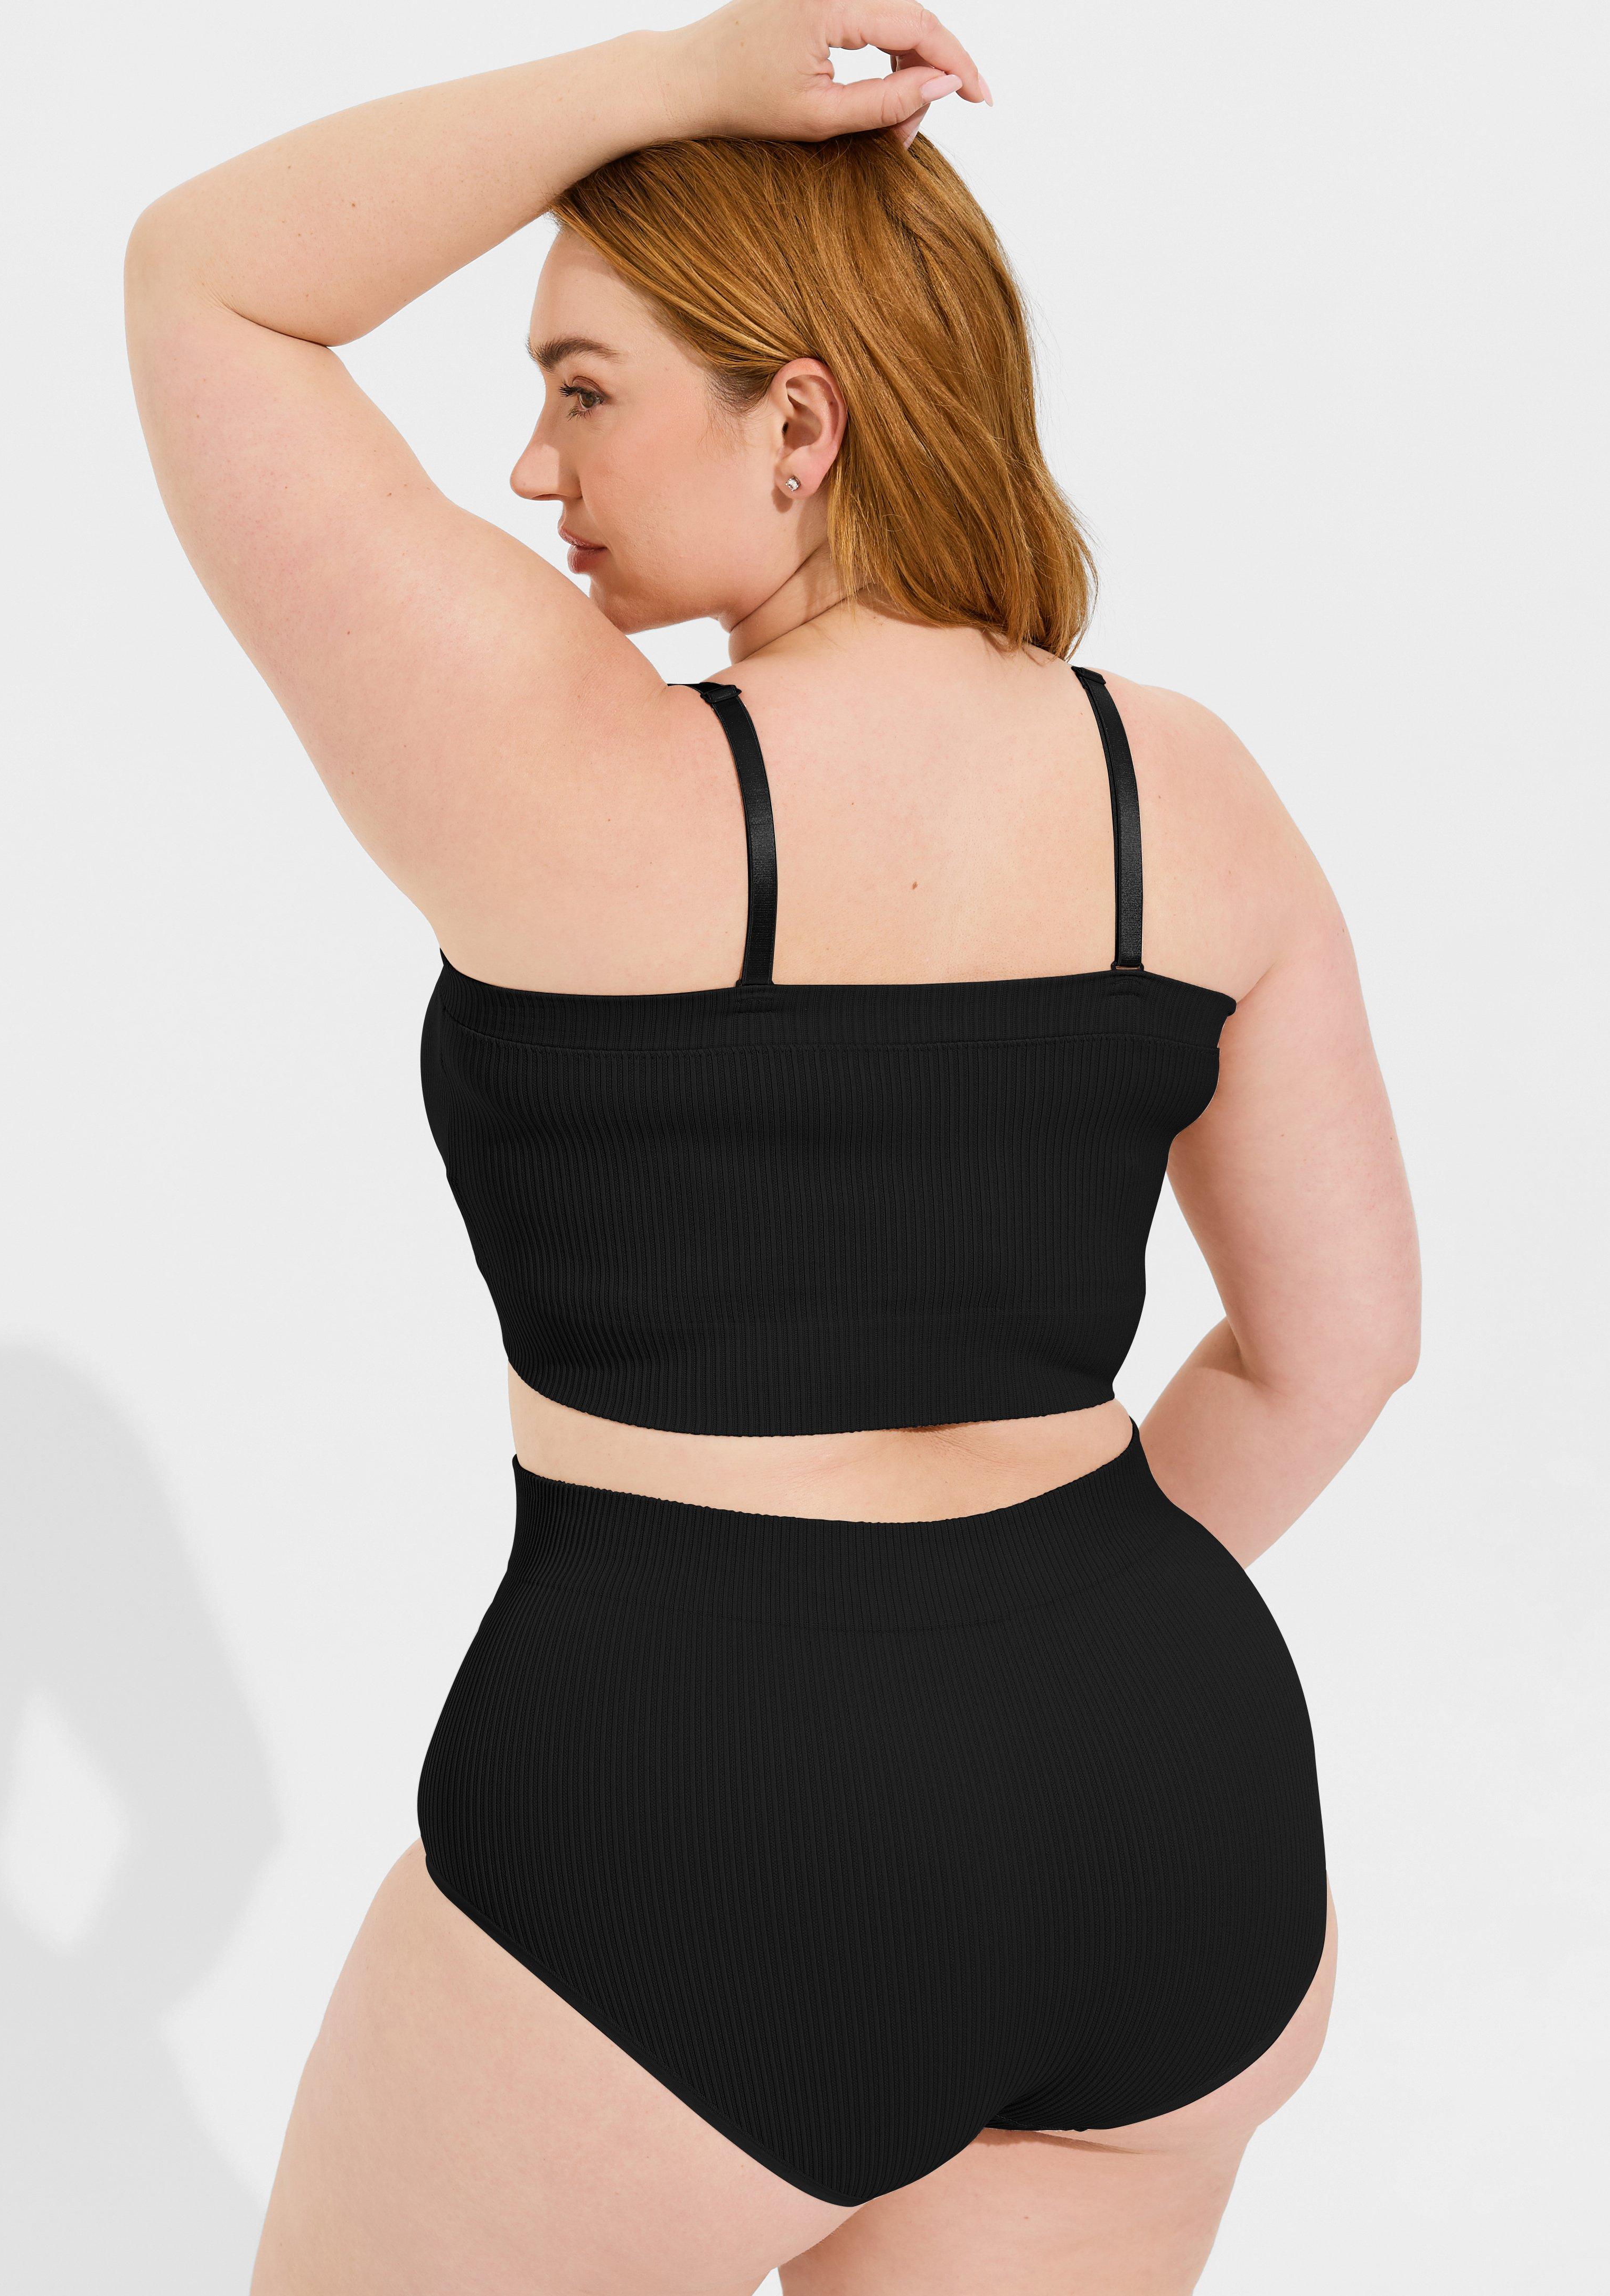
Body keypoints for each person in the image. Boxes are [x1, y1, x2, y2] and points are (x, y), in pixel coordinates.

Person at [125, 5, 1420, 2289]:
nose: (532, 465)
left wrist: (669, 80)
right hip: (1172, 1799)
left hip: (700, 1806)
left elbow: (209, 278)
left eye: (583, 389)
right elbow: (1341, 1352)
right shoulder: (1190, 792)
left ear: (798, 423)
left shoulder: (570, 772)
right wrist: (1018, 1659)